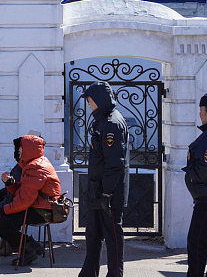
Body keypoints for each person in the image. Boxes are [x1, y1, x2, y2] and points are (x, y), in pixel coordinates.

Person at [78, 81, 129, 277]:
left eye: (90, 100)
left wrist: (107, 193)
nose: (88, 103)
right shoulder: (102, 120)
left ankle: (115, 274)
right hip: (98, 189)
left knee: (113, 237)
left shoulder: (111, 124)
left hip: (108, 192)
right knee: (93, 235)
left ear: (99, 99)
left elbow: (115, 163)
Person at [0, 135, 61, 266]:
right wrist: (10, 183)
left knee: (0, 223)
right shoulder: (34, 164)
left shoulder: (36, 167)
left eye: (21, 148)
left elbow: (24, 200)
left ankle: (28, 251)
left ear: (28, 149)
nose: (18, 151)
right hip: (38, 207)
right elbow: (23, 192)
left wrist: (3, 211)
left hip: (42, 211)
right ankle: (32, 246)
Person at [183, 93, 207, 277]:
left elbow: (204, 169)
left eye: (201, 110)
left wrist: (189, 169)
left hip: (206, 202)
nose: (199, 114)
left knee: (196, 243)